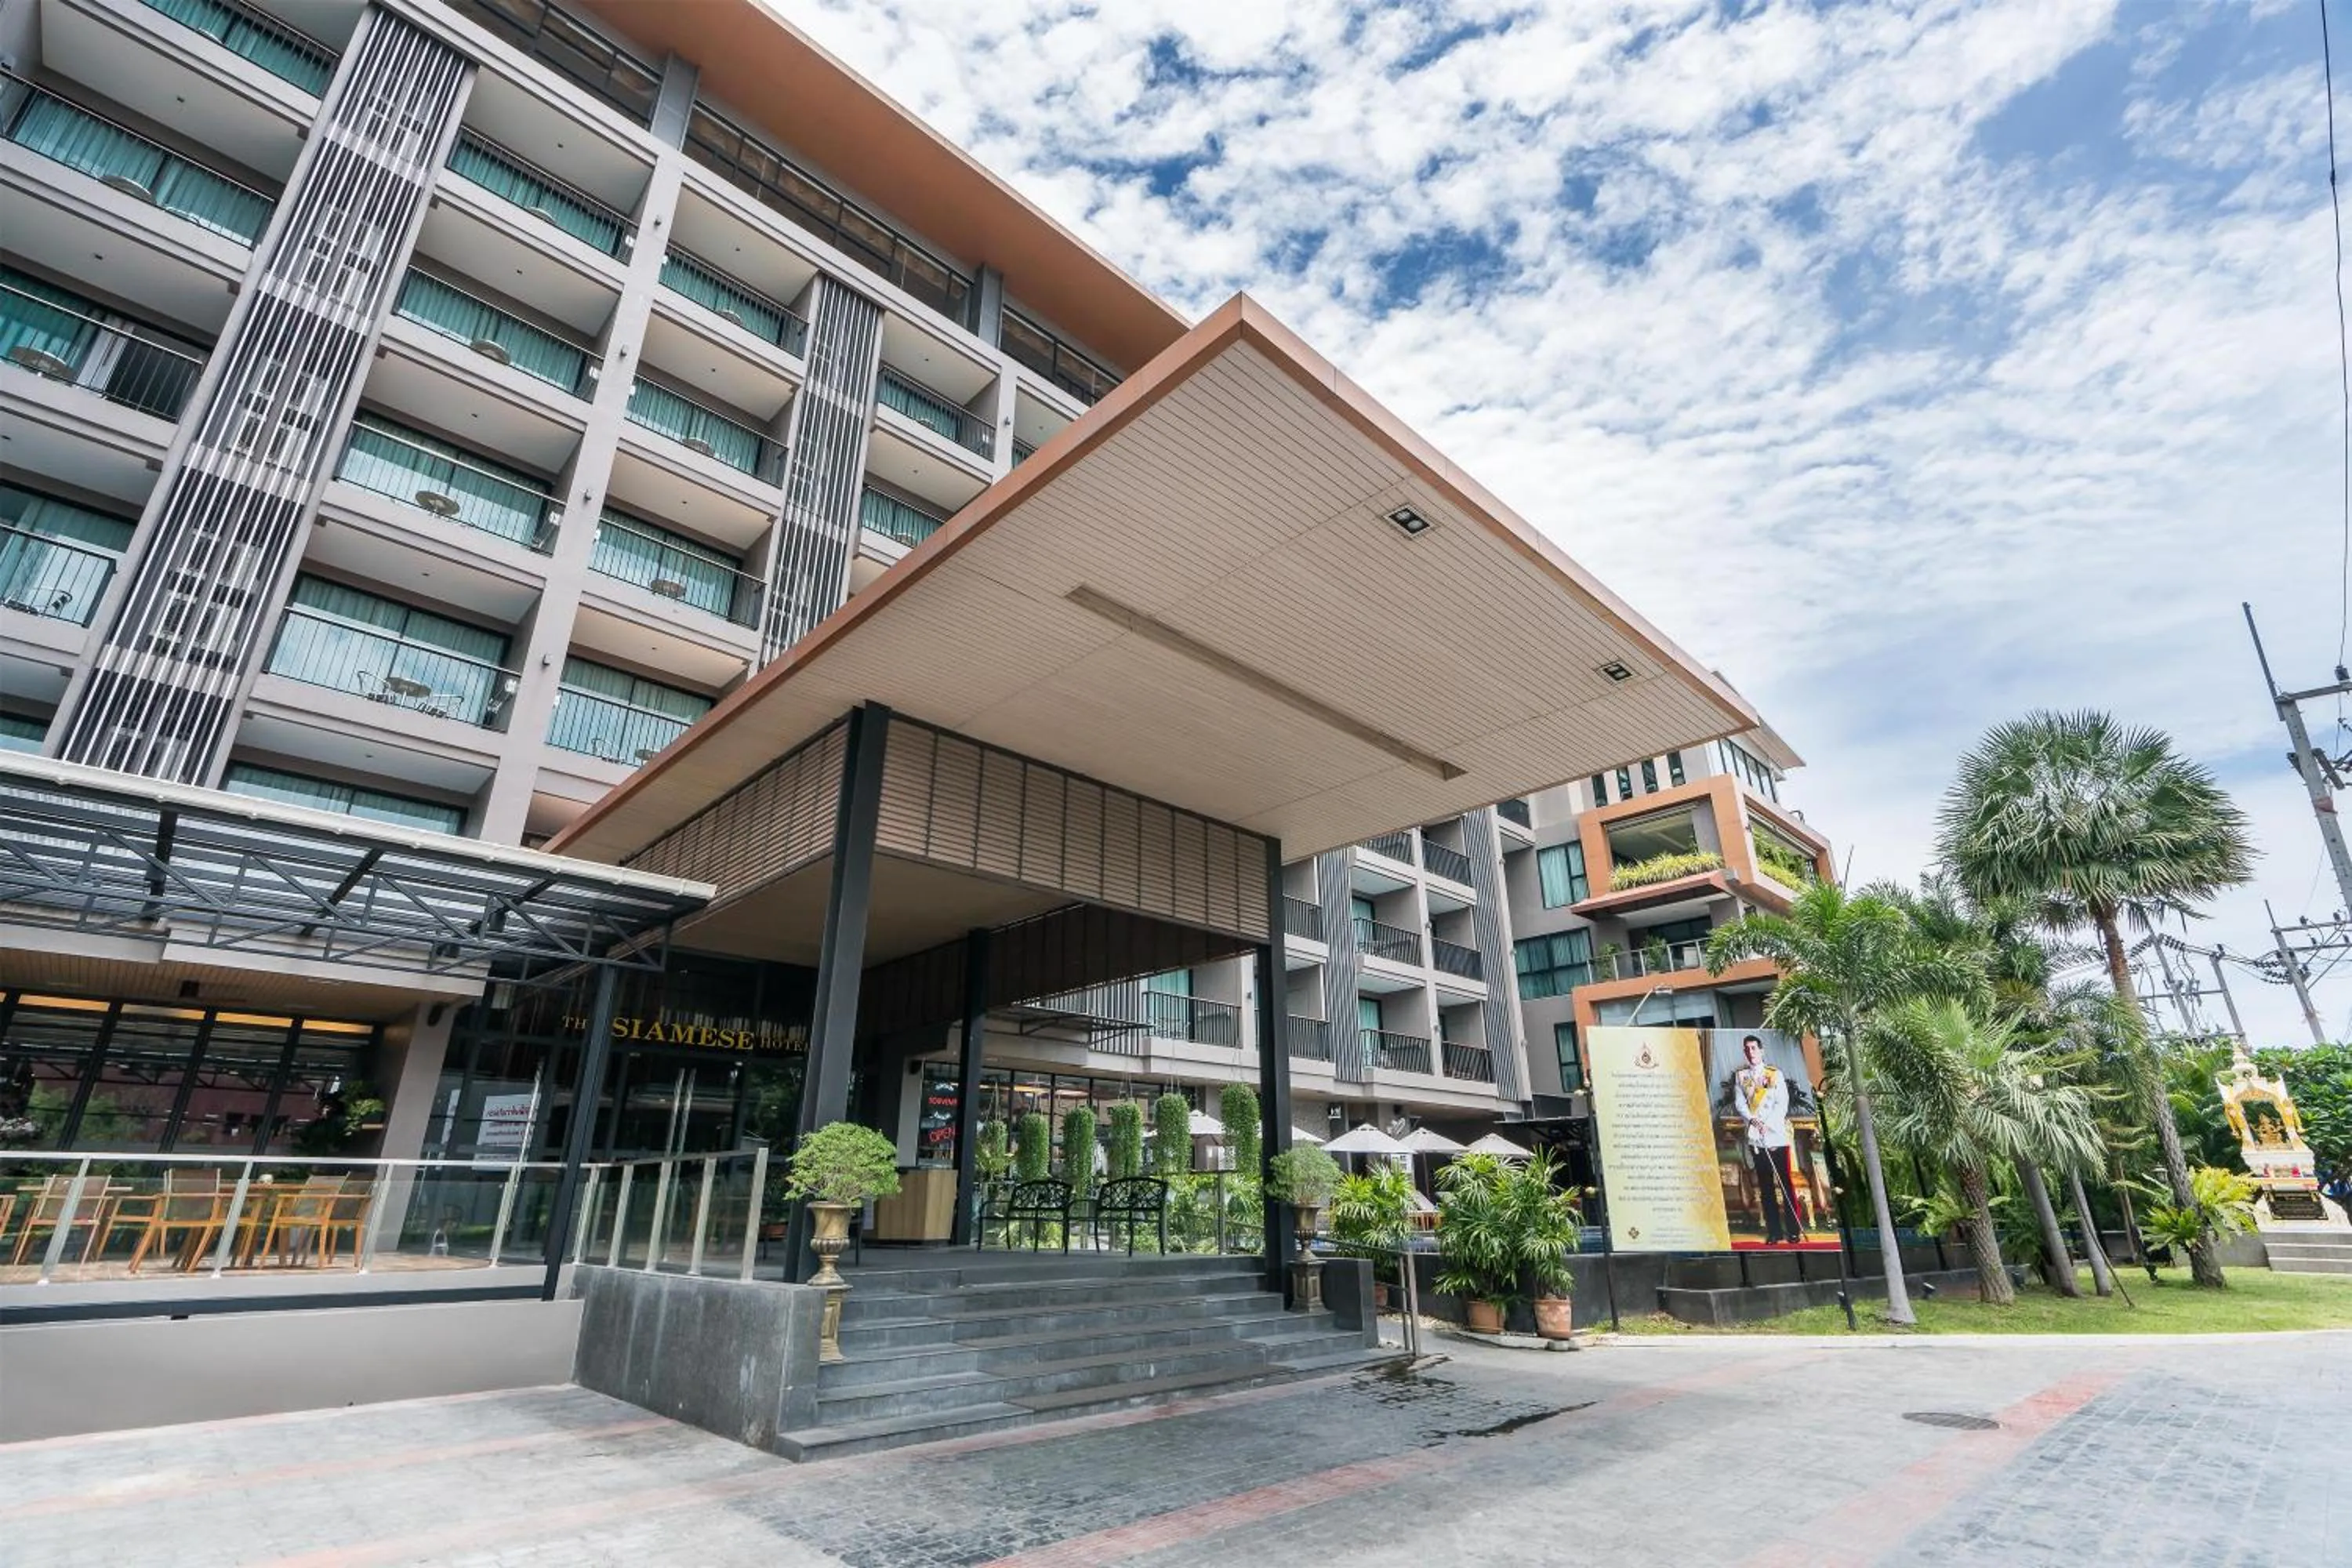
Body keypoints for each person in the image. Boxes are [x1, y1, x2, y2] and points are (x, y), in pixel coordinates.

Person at [1733, 1035, 1803, 1244]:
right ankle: (1774, 1231)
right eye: (1747, 1049)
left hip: (1776, 1136)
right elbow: (1740, 1104)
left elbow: (1782, 1104)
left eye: (1754, 1048)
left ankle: (1793, 1230)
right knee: (1766, 1188)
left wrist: (1768, 1125)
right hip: (1756, 1138)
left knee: (1785, 1185)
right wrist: (1754, 1121)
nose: (1750, 1052)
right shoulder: (1741, 1077)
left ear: (1761, 1051)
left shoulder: (1775, 1074)